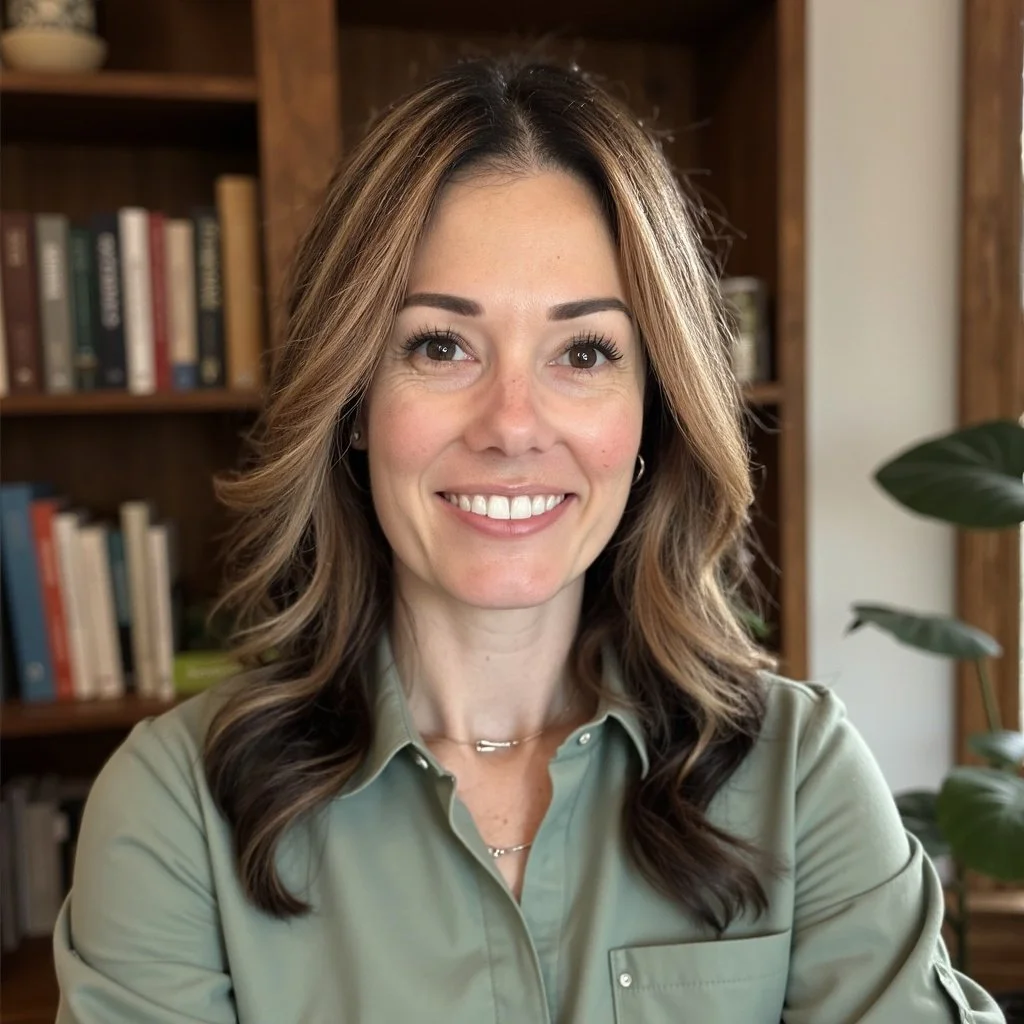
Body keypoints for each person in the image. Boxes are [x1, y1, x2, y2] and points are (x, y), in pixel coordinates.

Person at [53, 57, 1005, 1024]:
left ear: (653, 415)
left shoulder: (798, 773)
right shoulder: (176, 809)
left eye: (584, 352)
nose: (513, 423)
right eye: (439, 345)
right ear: (351, 401)